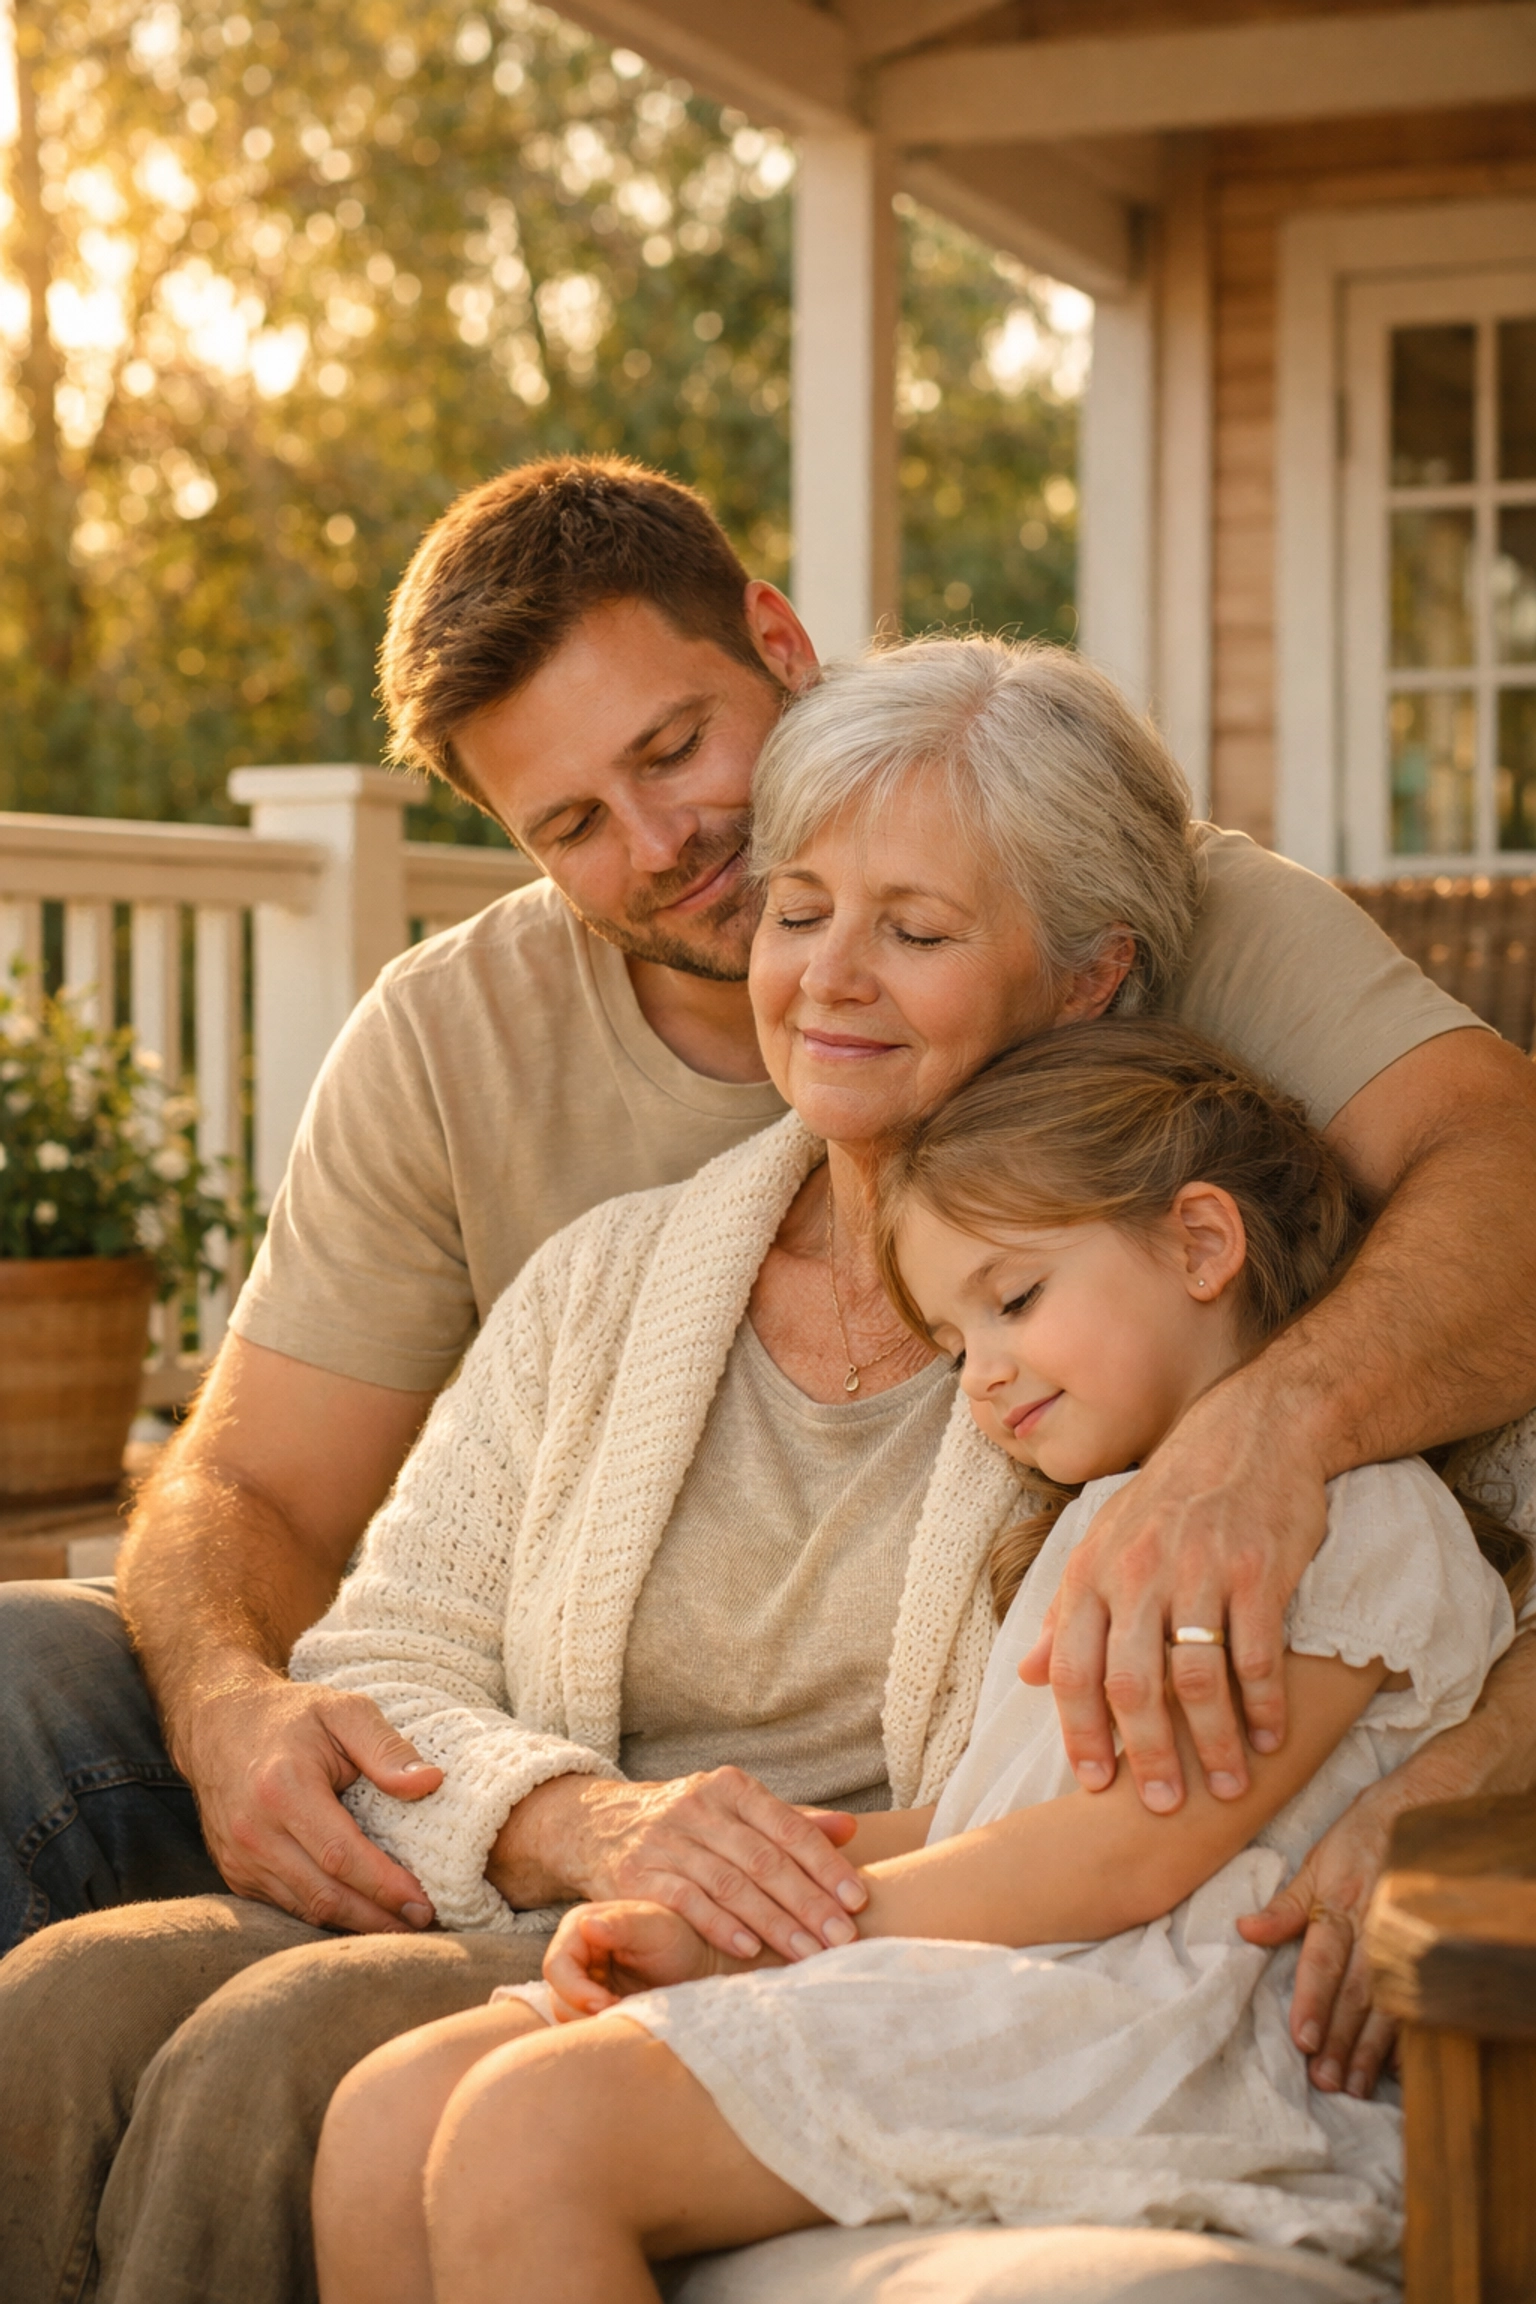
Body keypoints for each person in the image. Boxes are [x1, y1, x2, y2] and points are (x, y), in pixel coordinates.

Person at [1, 474, 1534, 2298]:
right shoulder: (551, 1162)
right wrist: (295, 1721)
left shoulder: (1173, 1023)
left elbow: (1489, 1220)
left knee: (290, 2048)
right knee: (55, 1893)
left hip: (874, 1907)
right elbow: (269, 1504)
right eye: (573, 816)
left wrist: (1279, 1451)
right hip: (583, 1824)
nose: (669, 852)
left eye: (674, 747)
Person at [308, 1021, 1526, 2304]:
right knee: (390, 2115)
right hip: (1025, 1970)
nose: (986, 1376)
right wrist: (736, 1890)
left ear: (1203, 1244)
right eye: (955, 1346)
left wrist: (754, 1953)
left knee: (535, 2126)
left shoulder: (1355, 1518)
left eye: (1014, 1300)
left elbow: (1121, 1853)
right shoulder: (1096, 1527)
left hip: (1148, 2025)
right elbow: (981, 1822)